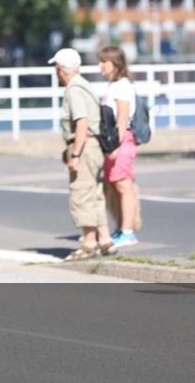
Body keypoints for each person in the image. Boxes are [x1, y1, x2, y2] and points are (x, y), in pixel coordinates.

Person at [49, 48, 115, 260]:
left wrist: (75, 154)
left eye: (55, 68)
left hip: (84, 147)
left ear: (60, 69)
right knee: (95, 194)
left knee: (82, 194)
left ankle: (89, 243)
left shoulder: (73, 90)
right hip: (94, 146)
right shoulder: (85, 85)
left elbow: (82, 122)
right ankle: (105, 240)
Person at [97, 46, 142, 247]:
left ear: (115, 64)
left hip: (121, 140)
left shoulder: (122, 86)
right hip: (114, 140)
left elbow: (122, 118)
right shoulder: (114, 85)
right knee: (116, 185)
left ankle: (127, 232)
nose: (100, 66)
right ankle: (122, 228)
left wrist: (115, 145)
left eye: (104, 61)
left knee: (124, 185)